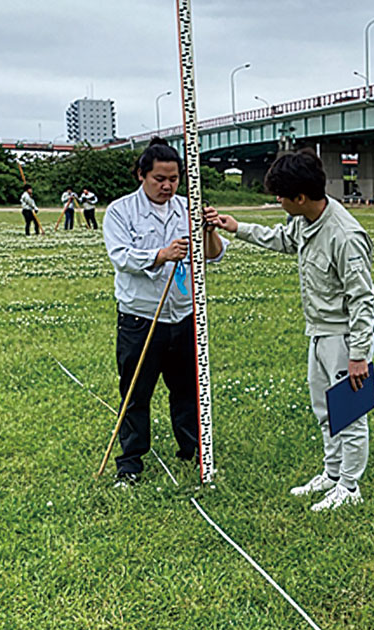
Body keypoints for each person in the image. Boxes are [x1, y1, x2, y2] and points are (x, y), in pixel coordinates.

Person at [211, 149, 374, 512]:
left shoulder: (345, 235)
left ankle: (349, 487)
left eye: (281, 196)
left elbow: (363, 299)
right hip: (317, 332)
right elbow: (284, 240)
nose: (278, 201)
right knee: (325, 411)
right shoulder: (305, 221)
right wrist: (236, 228)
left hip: (343, 338)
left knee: (349, 415)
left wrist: (359, 355)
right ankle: (332, 475)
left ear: (300, 197)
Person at [102, 137, 228, 487]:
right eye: (159, 178)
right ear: (141, 175)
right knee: (135, 393)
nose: (167, 185)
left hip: (184, 316)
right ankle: (130, 463)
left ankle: (192, 450)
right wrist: (161, 255)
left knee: (188, 390)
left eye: (173, 178)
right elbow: (120, 256)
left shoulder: (189, 208)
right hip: (141, 319)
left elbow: (214, 255)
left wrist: (210, 231)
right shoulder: (120, 211)